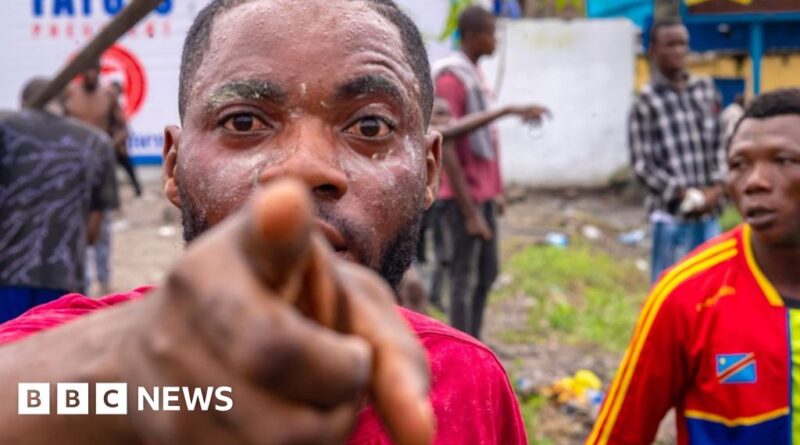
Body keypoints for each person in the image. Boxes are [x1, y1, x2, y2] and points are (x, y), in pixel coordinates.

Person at [0, 1, 527, 444]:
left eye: (370, 125)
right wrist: (113, 374)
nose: (304, 168)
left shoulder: (471, 384)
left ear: (429, 171)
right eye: (244, 122)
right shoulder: (59, 368)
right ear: (173, 167)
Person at [588, 88, 800, 444]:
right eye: (739, 165)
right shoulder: (687, 296)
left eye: (782, 160)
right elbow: (618, 434)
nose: (755, 181)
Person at [432, 5, 549, 338]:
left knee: (487, 273)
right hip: (460, 198)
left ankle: (475, 343)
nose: (495, 39)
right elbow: (448, 143)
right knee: (462, 279)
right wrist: (469, 211)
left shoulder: (473, 74)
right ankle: (462, 349)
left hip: (481, 195)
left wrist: (494, 192)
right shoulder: (452, 78)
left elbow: (483, 142)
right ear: (471, 36)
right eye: (490, 33)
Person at [0, 78, 118, 322]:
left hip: (6, 276)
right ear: (64, 103)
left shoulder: (6, 128)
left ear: (24, 103)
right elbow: (93, 232)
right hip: (63, 279)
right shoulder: (96, 142)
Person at [629, 19, 727, 283]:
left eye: (682, 44)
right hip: (671, 220)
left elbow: (722, 143)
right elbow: (642, 165)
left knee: (714, 290)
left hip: (709, 217)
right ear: (653, 50)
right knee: (672, 294)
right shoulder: (646, 101)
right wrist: (682, 194)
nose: (678, 51)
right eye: (670, 44)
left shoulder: (705, 90)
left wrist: (715, 190)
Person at [65, 61, 127, 294]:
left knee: (102, 226)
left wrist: (109, 146)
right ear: (81, 72)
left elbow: (123, 128)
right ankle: (80, 283)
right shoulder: (70, 95)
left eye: (94, 70)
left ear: (100, 72)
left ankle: (104, 281)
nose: (90, 74)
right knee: (73, 225)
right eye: (86, 70)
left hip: (101, 170)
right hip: (72, 168)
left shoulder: (108, 97)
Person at [108, 81, 143, 197]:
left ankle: (138, 190)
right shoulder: (101, 105)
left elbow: (126, 130)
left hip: (117, 148)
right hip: (107, 148)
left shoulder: (117, 108)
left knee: (129, 169)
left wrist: (113, 142)